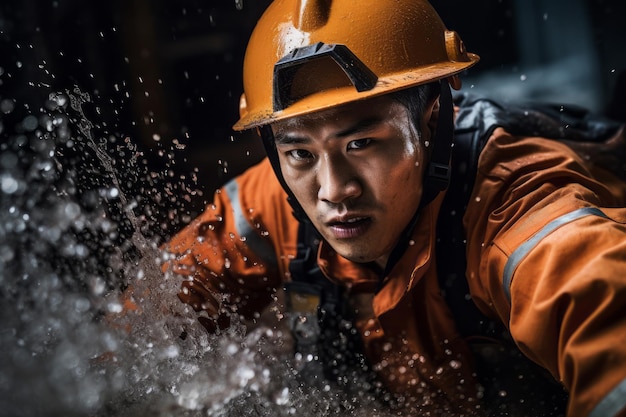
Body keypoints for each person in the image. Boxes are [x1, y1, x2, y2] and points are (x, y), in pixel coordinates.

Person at [162, 0, 626, 415]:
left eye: (361, 143)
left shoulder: (519, 211)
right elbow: (139, 327)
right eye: (300, 152)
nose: (332, 190)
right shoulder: (276, 196)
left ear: (432, 121)